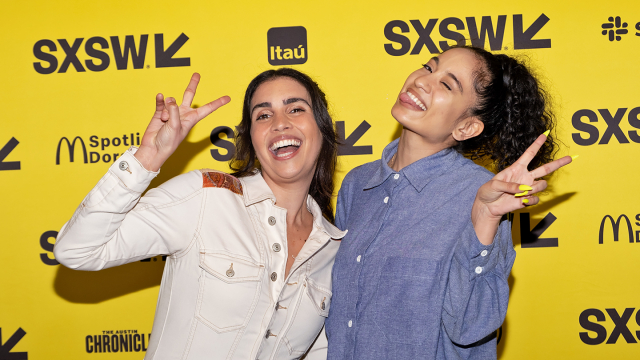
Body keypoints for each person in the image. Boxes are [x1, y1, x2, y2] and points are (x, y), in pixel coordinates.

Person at [53, 68, 345, 360]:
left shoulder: (333, 249)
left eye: (295, 109)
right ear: (251, 139)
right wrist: (147, 158)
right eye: (263, 115)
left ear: (322, 129)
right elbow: (77, 250)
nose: (280, 123)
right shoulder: (207, 196)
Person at [325, 46, 574, 359]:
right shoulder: (357, 184)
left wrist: (484, 217)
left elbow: (470, 327)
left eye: (446, 84)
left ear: (466, 127)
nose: (421, 81)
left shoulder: (483, 197)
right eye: (429, 68)